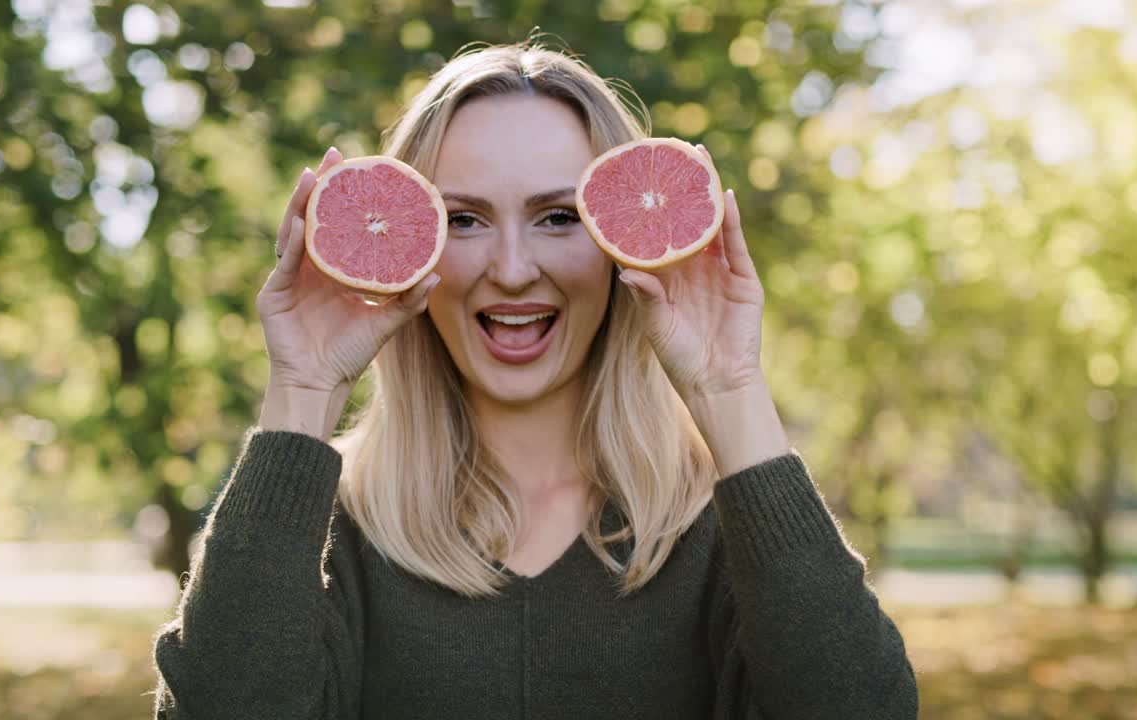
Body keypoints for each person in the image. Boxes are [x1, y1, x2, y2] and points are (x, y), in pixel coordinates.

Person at [150, 41, 918, 719]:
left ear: (626, 242)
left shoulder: (726, 528)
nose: (512, 271)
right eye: (463, 220)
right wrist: (304, 388)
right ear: (409, 237)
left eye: (558, 217)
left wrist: (729, 388)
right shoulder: (326, 530)